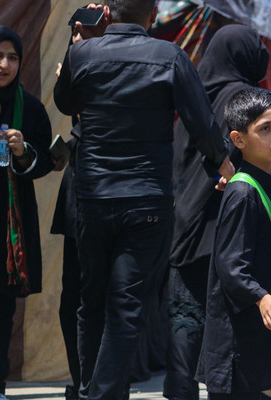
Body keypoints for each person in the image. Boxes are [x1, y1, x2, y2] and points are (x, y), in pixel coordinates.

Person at [53, 1, 234, 399]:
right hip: (146, 198)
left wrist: (81, 45)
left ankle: (92, 390)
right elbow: (201, 123)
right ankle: (100, 393)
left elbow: (66, 104)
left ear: (108, 13)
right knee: (126, 307)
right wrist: (223, 164)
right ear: (153, 15)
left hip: (93, 196)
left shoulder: (81, 53)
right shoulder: (169, 56)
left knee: (91, 302)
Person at [164, 24, 271, 400]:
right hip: (229, 224)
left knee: (185, 318)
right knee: (228, 322)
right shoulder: (246, 100)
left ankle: (180, 391)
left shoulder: (197, 93)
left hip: (187, 220)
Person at [196, 87, 271, 400]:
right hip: (241, 330)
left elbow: (270, 227)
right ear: (238, 139)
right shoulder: (243, 192)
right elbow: (230, 264)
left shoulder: (264, 181)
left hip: (259, 325)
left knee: (265, 389)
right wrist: (261, 297)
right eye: (265, 129)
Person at [0, 25, 54, 400]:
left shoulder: (28, 106)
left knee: (0, 308)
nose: (4, 64)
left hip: (7, 224)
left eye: (12, 57)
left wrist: (23, 151)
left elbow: (45, 161)